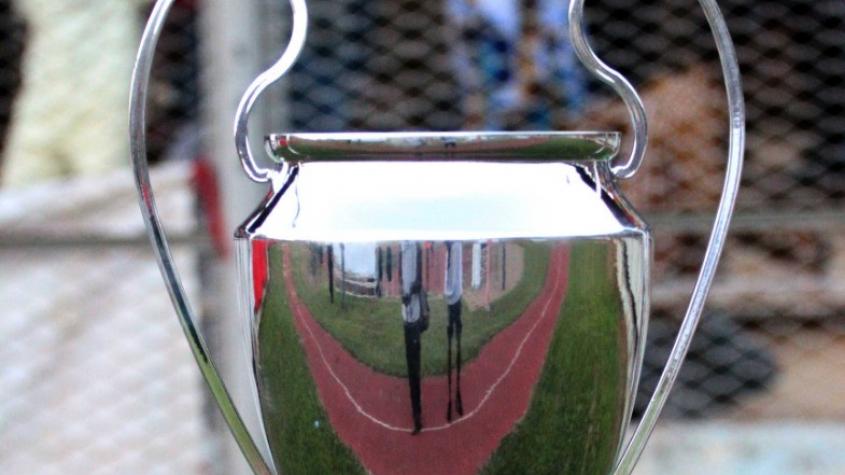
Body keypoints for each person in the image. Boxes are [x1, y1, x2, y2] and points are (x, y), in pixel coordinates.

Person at [400, 241, 427, 434]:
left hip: (414, 318)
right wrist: (404, 296)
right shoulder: (403, 247)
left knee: (414, 368)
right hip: (406, 317)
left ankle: (417, 415)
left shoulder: (415, 246)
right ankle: (415, 411)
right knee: (411, 367)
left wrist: (411, 293)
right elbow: (404, 281)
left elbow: (419, 283)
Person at [444, 241, 464, 422]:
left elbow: (452, 286)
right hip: (452, 304)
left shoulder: (455, 247)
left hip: (456, 302)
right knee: (451, 351)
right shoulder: (451, 249)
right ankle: (451, 398)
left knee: (456, 350)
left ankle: (456, 393)